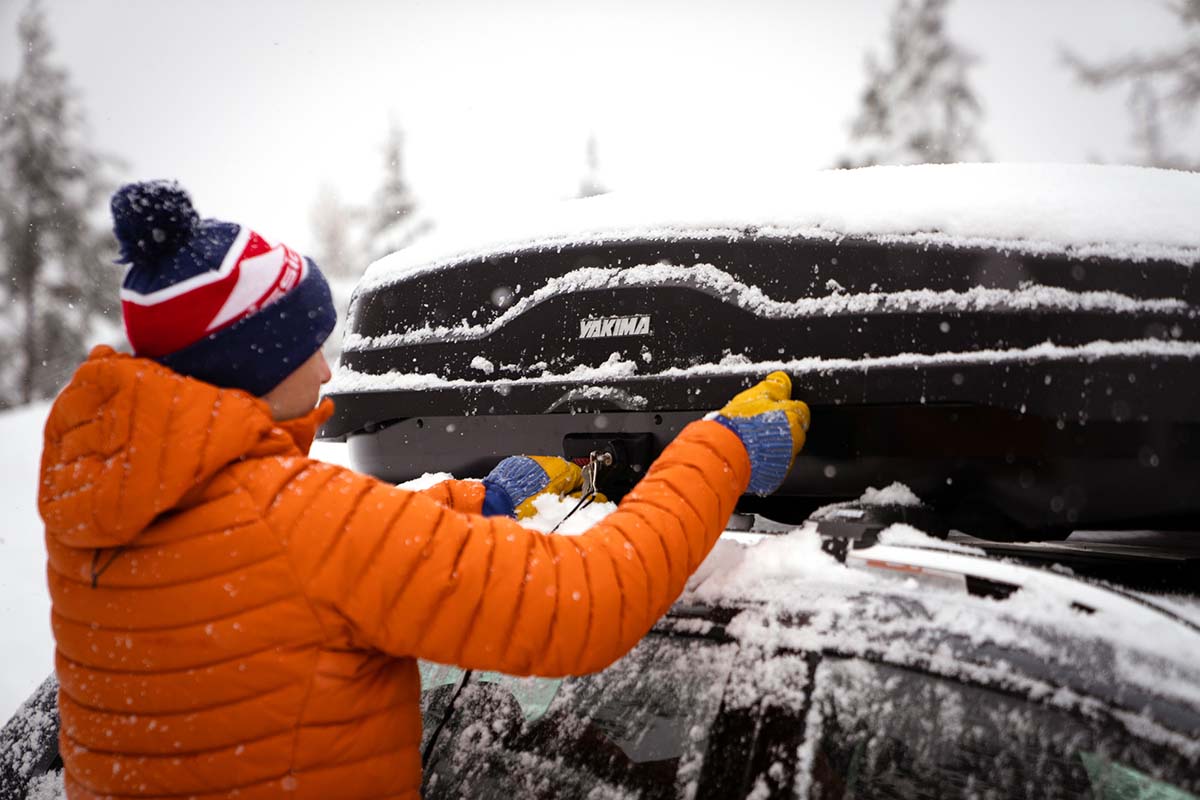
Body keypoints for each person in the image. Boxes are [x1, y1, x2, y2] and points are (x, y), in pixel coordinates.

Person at [39, 181, 810, 799]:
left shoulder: (107, 509)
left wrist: (479, 505)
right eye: (308, 346)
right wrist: (720, 452)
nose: (325, 371)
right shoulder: (298, 522)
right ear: (248, 365)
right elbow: (586, 600)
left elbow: (280, 565)